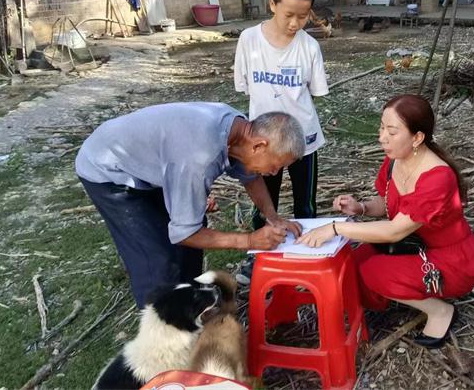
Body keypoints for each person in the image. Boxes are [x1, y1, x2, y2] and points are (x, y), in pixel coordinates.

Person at [296, 94, 474, 349]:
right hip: (414, 244)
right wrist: (361, 207)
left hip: (449, 259)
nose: (381, 137)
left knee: (373, 272)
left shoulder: (437, 178)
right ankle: (387, 298)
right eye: (381, 127)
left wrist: (335, 228)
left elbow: (395, 230)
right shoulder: (395, 159)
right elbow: (388, 204)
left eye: (392, 131)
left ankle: (440, 311)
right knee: (352, 263)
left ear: (417, 137)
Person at [75, 102, 305, 308]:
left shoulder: (240, 131)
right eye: (274, 166)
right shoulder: (200, 157)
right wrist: (249, 240)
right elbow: (185, 233)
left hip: (154, 163)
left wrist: (273, 216)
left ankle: (188, 306)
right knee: (157, 259)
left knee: (188, 244)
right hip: (108, 169)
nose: (274, 173)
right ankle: (164, 330)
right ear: (258, 146)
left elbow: (251, 177)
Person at [234, 0, 328, 232]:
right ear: (272, 4)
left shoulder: (310, 47)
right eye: (289, 15)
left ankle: (308, 253)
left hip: (303, 141)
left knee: (306, 205)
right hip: (262, 142)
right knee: (263, 204)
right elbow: (245, 87)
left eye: (303, 16)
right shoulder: (249, 40)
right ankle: (259, 254)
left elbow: (315, 93)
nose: (295, 23)